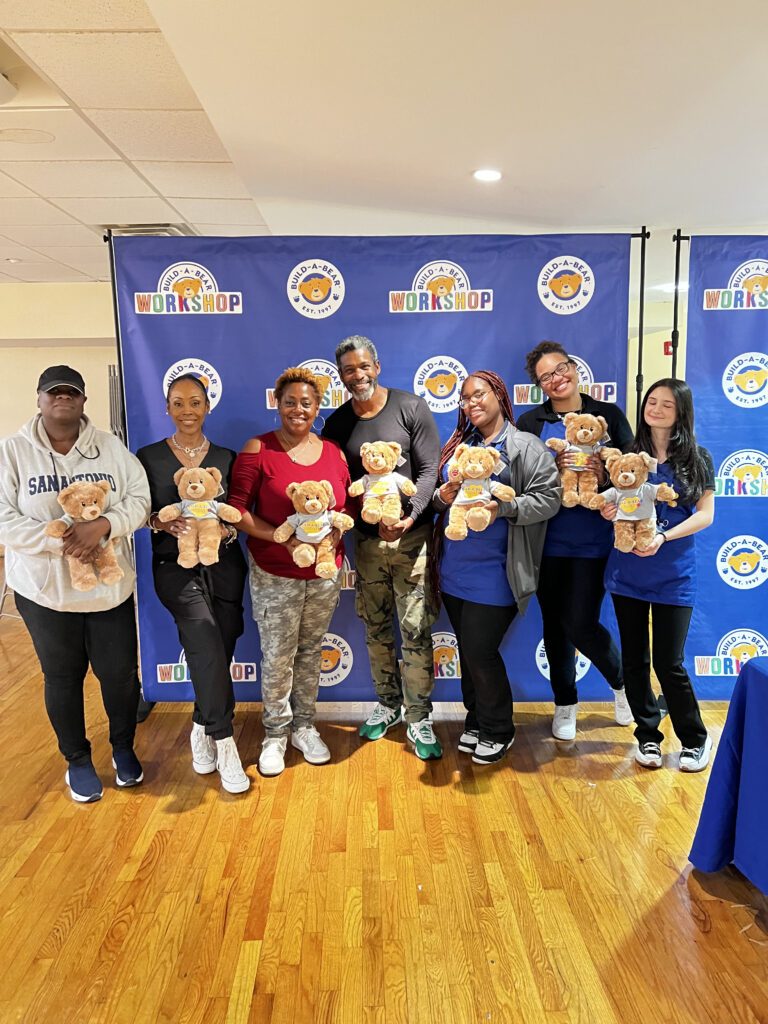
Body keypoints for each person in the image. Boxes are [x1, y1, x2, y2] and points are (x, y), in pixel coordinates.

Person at [0, 365, 150, 803]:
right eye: (54, 393)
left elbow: (140, 500)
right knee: (62, 678)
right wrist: (66, 541)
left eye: (71, 393)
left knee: (120, 677)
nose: (62, 398)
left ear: (84, 401)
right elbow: (5, 519)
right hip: (45, 592)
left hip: (109, 590)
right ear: (40, 400)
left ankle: (123, 748)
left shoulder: (110, 448)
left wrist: (104, 524)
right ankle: (77, 760)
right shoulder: (13, 451)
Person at [322, 335, 443, 760]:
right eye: (348, 370)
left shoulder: (410, 407)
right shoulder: (337, 423)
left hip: (412, 538)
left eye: (363, 366)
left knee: (414, 627)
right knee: (374, 627)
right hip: (368, 544)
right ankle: (389, 705)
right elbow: (335, 485)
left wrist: (410, 517)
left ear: (377, 364)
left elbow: (430, 469)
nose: (358, 376)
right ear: (341, 376)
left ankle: (420, 716)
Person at [228, 367, 351, 777]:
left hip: (324, 573)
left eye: (307, 402)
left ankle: (304, 726)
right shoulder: (257, 449)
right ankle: (275, 734)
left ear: (318, 407)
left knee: (312, 651)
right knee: (278, 656)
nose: (299, 409)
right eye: (290, 402)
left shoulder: (333, 451)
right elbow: (237, 511)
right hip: (274, 571)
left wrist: (333, 538)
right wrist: (286, 541)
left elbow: (343, 508)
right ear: (277, 404)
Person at [433, 371, 561, 763]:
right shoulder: (461, 446)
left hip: (499, 571)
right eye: (465, 398)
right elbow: (439, 505)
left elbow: (549, 499)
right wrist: (444, 494)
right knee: (468, 652)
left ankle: (499, 729)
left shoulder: (525, 446)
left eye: (480, 394)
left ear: (499, 395)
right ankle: (476, 720)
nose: (472, 403)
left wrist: (503, 507)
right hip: (455, 570)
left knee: (479, 649)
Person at [136, 374, 249, 795]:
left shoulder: (225, 456)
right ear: (167, 408)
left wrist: (226, 532)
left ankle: (201, 723)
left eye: (196, 402)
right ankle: (225, 741)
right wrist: (160, 523)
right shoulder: (147, 457)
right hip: (174, 564)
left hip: (224, 563)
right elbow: (141, 514)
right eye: (179, 403)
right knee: (202, 635)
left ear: (207, 407)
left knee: (224, 642)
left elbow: (236, 515)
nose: (188, 410)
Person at [516, 341, 634, 740]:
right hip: (546, 543)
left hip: (593, 542)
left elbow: (633, 471)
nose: (556, 378)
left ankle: (624, 687)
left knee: (581, 623)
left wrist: (602, 473)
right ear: (539, 384)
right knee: (555, 624)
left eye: (561, 368)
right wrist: (553, 466)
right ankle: (565, 702)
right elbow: (520, 479)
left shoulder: (609, 415)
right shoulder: (532, 423)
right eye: (546, 376)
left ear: (573, 367)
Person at [602, 379, 715, 772]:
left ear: (681, 411)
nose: (657, 409)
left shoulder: (697, 459)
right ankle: (647, 737)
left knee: (670, 663)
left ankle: (695, 738)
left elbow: (705, 514)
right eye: (652, 401)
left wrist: (664, 537)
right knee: (634, 661)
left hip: (674, 575)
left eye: (667, 404)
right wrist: (609, 512)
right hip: (627, 573)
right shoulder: (628, 454)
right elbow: (614, 500)